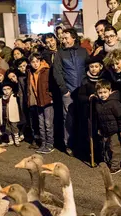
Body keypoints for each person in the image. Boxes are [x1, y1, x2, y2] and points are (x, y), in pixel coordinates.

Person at [53, 28, 88, 156]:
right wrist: (64, 90)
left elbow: (88, 68)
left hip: (82, 91)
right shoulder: (60, 53)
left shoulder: (83, 51)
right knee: (68, 120)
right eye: (62, 38)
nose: (64, 40)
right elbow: (57, 72)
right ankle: (69, 145)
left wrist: (86, 87)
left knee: (83, 118)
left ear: (73, 38)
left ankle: (83, 145)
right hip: (68, 91)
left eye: (66, 37)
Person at [94, 79, 121, 174]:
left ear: (110, 91)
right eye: (100, 93)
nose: (102, 95)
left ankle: (115, 166)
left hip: (114, 130)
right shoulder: (98, 104)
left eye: (105, 92)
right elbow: (99, 118)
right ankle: (109, 162)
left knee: (115, 148)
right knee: (106, 146)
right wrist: (99, 128)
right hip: (105, 129)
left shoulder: (114, 103)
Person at [27, 53, 54, 153]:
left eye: (37, 61)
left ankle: (50, 144)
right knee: (41, 124)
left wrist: (50, 95)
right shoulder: (30, 72)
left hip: (46, 100)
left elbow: (51, 84)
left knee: (48, 124)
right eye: (33, 62)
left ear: (41, 61)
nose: (35, 64)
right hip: (37, 101)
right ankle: (43, 143)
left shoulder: (46, 71)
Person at [0, 82, 21, 147]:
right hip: (5, 116)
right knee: (7, 129)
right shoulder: (1, 99)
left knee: (14, 128)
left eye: (8, 89)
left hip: (13, 115)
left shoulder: (14, 96)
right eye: (4, 89)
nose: (6, 91)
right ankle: (10, 140)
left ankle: (16, 140)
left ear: (11, 89)